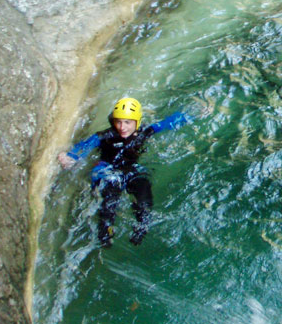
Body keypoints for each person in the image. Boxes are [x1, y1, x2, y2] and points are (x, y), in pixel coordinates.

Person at [57, 97, 192, 247]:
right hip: (106, 169)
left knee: (143, 187)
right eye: (118, 122)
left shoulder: (144, 132)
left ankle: (142, 225)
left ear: (137, 122)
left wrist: (191, 115)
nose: (122, 127)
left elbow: (167, 123)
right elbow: (85, 145)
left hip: (130, 169)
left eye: (127, 122)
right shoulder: (106, 136)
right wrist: (70, 157)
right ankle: (105, 228)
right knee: (111, 191)